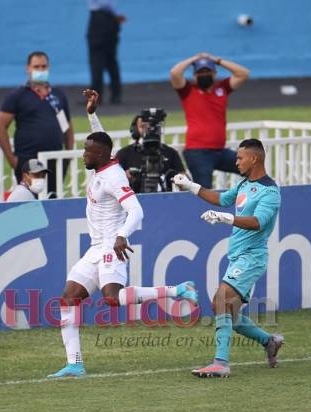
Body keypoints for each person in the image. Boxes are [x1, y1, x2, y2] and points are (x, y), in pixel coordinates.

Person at [47, 90, 198, 378]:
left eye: (86, 151)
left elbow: (137, 211)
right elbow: (100, 138)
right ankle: (75, 363)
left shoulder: (114, 178)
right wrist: (91, 114)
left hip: (110, 247)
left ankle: (178, 291)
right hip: (95, 248)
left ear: (100, 155)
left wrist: (122, 236)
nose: (83, 155)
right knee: (68, 299)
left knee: (112, 300)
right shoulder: (103, 161)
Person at [173, 138, 284, 378]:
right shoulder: (245, 184)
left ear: (254, 159)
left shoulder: (270, 191)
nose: (236, 161)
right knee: (225, 310)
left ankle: (221, 363)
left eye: (240, 157)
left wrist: (226, 218)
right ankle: (269, 341)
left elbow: (257, 222)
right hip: (238, 258)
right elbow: (221, 199)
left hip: (251, 258)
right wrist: (190, 185)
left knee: (221, 299)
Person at [0, 51, 74, 199]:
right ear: (28, 68)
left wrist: (68, 155)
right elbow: (0, 126)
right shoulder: (17, 96)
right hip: (29, 160)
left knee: (52, 200)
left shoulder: (57, 96)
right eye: (36, 66)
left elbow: (67, 128)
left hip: (55, 159)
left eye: (43, 66)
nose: (40, 70)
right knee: (29, 202)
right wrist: (12, 160)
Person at [169, 53, 249, 189]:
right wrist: (193, 59)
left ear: (214, 73)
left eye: (207, 71)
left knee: (251, 169)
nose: (204, 75)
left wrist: (216, 60)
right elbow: (174, 73)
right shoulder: (188, 90)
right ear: (194, 75)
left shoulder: (222, 88)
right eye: (200, 72)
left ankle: (251, 201)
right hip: (198, 152)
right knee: (204, 190)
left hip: (220, 151)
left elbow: (243, 73)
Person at [116, 111, 186, 193]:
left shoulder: (171, 152)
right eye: (143, 127)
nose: (148, 130)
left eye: (152, 127)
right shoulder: (124, 153)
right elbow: (112, 181)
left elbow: (184, 181)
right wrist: (123, 177)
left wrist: (182, 180)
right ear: (135, 130)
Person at [86, 0, 125, 104]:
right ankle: (116, 95)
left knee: (96, 61)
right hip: (111, 21)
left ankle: (96, 97)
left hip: (99, 20)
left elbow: (104, 4)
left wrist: (114, 14)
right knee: (111, 60)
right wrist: (116, 15)